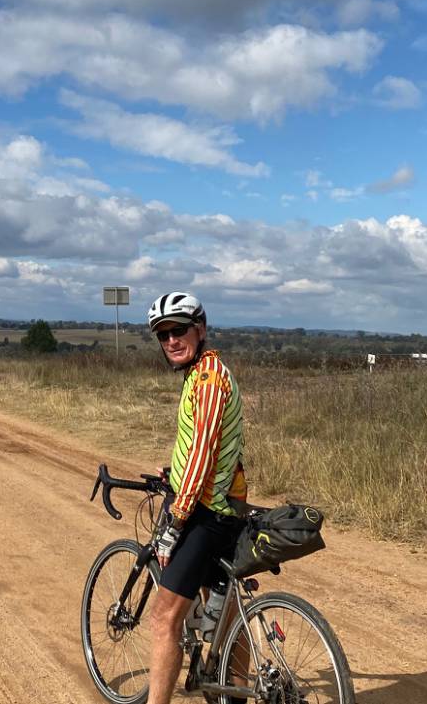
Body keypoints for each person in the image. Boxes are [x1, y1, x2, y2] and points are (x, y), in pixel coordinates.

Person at [144, 292, 247, 704]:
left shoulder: (206, 379)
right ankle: (235, 694)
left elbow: (203, 448)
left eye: (179, 329)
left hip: (205, 512)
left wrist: (177, 519)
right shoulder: (207, 372)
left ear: (200, 329)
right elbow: (211, 449)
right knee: (225, 615)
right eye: (162, 334)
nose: (171, 340)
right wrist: (176, 471)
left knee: (164, 618)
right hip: (226, 506)